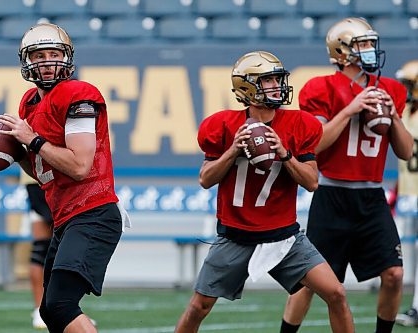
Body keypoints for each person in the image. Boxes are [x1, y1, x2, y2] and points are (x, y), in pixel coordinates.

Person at [174, 51, 355, 333]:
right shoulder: (223, 125)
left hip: (284, 236)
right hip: (235, 236)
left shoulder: (298, 124)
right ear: (247, 87)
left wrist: (285, 155)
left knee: (337, 294)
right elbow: (205, 179)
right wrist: (233, 150)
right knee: (198, 307)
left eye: (276, 79)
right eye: (267, 80)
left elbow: (312, 182)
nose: (276, 86)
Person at [280, 17, 414, 333]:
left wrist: (393, 117)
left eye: (370, 43)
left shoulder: (391, 90)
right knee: (311, 281)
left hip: (371, 195)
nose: (370, 50)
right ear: (342, 51)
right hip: (331, 193)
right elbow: (316, 142)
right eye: (363, 44)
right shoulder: (320, 88)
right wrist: (351, 108)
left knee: (394, 274)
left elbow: (406, 152)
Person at [0, 23, 126, 333]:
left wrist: (34, 139)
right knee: (51, 311)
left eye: (54, 54)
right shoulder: (29, 103)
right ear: (27, 62)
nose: (47, 61)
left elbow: (80, 166)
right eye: (39, 55)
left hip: (93, 212)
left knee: (61, 305)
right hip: (66, 216)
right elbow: (44, 175)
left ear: (66, 59)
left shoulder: (78, 93)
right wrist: (19, 153)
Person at [394, 59, 418, 327]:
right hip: (409, 190)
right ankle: (415, 307)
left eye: (409, 85)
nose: (405, 89)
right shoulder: (404, 113)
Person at [19, 170, 53, 329]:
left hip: (41, 178)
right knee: (44, 248)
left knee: (55, 248)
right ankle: (40, 309)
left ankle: (64, 310)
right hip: (46, 178)